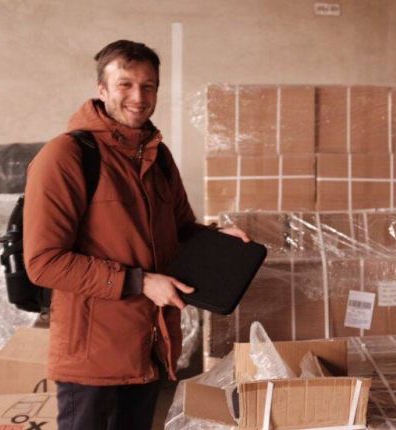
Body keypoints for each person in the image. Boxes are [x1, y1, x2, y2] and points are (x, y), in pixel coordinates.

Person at [23, 40, 249, 430]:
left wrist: (215, 239)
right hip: (92, 359)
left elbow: (179, 230)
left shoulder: (158, 157)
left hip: (149, 347)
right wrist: (140, 282)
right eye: (125, 84)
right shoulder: (67, 156)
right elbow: (44, 263)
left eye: (148, 86)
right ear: (102, 89)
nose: (138, 97)